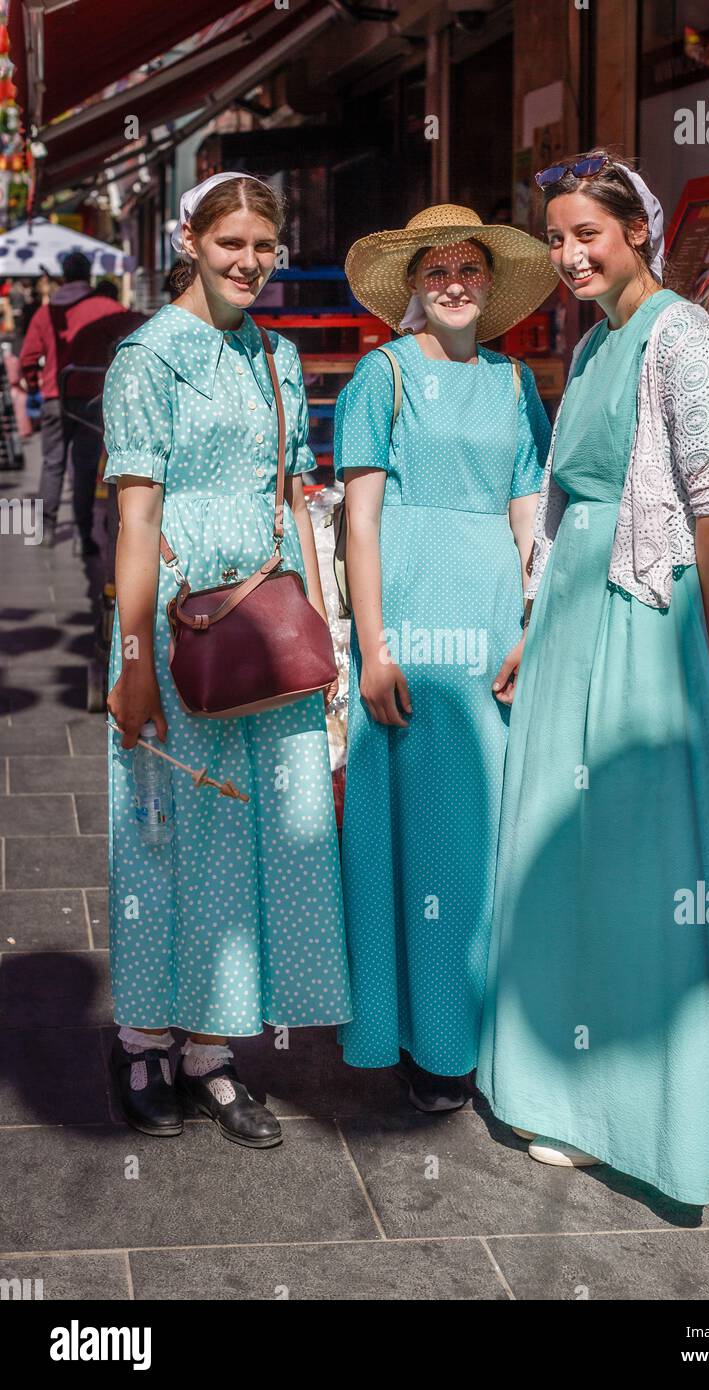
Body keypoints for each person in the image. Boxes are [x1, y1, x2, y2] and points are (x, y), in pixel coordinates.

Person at [475, 151, 709, 1207]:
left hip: (647, 615)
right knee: (560, 841)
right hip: (573, 617)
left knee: (637, 856)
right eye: (554, 237)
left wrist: (700, 641)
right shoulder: (591, 345)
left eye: (586, 232)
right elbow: (561, 500)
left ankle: (644, 1111)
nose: (567, 253)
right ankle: (561, 1090)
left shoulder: (683, 337)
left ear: (637, 230)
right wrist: (533, 620)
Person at [103, 172, 351, 1148]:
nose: (249, 262)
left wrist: (325, 627)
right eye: (230, 243)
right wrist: (129, 659)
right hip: (176, 620)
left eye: (263, 245)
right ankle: (138, 1039)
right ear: (191, 241)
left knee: (260, 844)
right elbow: (135, 515)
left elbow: (296, 498)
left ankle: (210, 1050)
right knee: (164, 835)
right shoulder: (147, 358)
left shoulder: (278, 355)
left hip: (270, 615)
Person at [333, 204, 556, 1110]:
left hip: (494, 619)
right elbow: (359, 519)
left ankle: (480, 1027)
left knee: (489, 830)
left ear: (492, 285)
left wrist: (535, 616)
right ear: (416, 288)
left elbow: (529, 510)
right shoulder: (379, 377)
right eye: (437, 271)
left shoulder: (514, 384)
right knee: (421, 834)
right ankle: (425, 1040)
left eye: (470, 269)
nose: (455, 282)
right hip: (412, 624)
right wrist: (373, 644)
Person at [20, 250, 126, 553]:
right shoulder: (105, 307)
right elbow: (138, 330)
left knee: (52, 464)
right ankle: (83, 536)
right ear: (89, 274)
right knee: (84, 466)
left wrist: (33, 384)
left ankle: (47, 530)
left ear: (64, 276)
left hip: (56, 395)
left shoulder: (47, 311)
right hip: (92, 398)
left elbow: (28, 357)